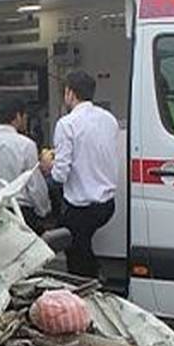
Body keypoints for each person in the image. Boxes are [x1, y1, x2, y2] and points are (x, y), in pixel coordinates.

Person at [42, 70, 119, 278]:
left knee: (75, 253)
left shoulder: (67, 124)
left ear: (70, 93)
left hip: (82, 207)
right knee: (82, 245)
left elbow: (60, 175)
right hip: (107, 205)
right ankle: (95, 274)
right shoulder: (109, 119)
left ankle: (87, 285)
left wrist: (48, 166)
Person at [0, 95, 51, 228]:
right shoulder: (26, 145)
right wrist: (44, 211)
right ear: (18, 116)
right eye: (25, 117)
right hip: (18, 213)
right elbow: (35, 187)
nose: (26, 121)